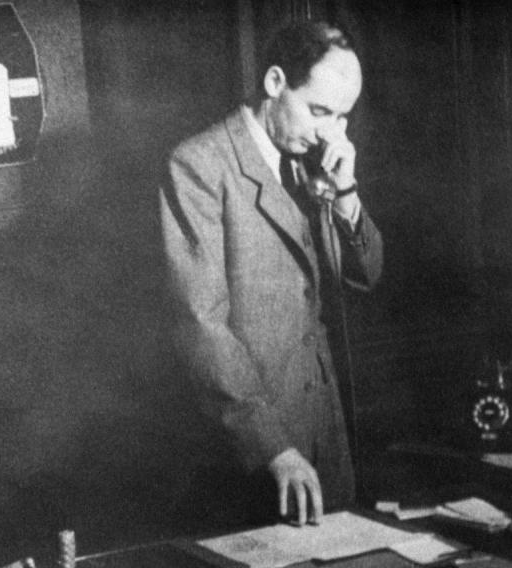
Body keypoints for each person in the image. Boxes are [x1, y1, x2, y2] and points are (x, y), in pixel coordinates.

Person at [158, 20, 383, 527]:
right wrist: (273, 448)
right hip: (254, 449)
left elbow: (367, 275)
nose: (332, 132)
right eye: (320, 111)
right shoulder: (199, 165)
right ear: (275, 83)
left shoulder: (311, 159)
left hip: (325, 435)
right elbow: (201, 325)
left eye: (343, 117)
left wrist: (345, 196)